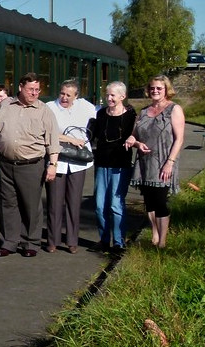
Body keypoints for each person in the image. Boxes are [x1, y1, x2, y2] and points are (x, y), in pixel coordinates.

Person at [0, 72, 60, 258]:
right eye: (30, 89)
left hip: (31, 165)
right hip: (5, 163)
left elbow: (52, 140)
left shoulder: (44, 111)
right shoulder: (5, 106)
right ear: (20, 87)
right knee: (8, 204)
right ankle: (9, 242)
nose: (34, 93)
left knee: (30, 205)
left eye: (37, 90)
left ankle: (30, 242)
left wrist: (53, 164)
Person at [124, 75, 185, 249]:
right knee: (149, 201)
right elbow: (133, 135)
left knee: (160, 201)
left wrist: (170, 162)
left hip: (164, 161)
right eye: (152, 88)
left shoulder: (174, 109)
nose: (155, 91)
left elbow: (179, 139)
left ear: (166, 90)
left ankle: (162, 242)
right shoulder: (144, 112)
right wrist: (135, 142)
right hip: (145, 162)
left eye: (159, 88)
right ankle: (155, 233)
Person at [45, 79, 97, 254]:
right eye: (62, 93)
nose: (64, 97)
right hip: (57, 161)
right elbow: (48, 133)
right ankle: (53, 240)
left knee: (74, 203)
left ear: (76, 96)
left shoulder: (85, 107)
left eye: (69, 95)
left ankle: (72, 241)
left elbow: (101, 116)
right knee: (54, 203)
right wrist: (70, 139)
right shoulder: (50, 107)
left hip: (78, 163)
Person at [90, 81, 136, 253]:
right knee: (100, 205)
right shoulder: (101, 114)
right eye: (107, 94)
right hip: (102, 163)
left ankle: (119, 242)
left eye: (112, 95)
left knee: (116, 205)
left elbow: (136, 134)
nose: (108, 98)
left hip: (120, 165)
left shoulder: (130, 116)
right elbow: (94, 135)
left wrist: (134, 140)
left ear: (122, 97)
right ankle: (104, 240)